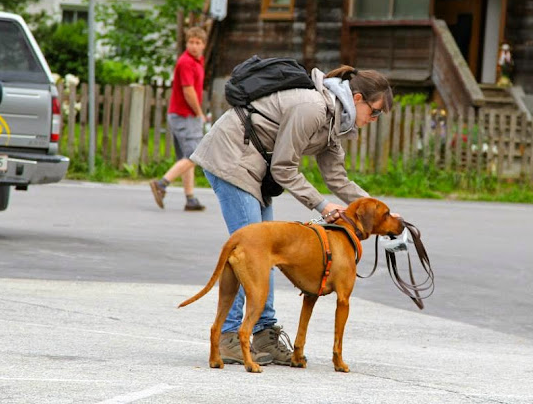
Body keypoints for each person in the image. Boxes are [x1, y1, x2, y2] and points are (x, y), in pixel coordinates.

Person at [189, 64, 393, 366]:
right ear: (358, 98)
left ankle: (263, 334)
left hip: (254, 169)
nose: (374, 120)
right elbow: (283, 167)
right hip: (231, 158)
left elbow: (337, 178)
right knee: (253, 250)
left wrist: (380, 211)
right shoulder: (313, 108)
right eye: (374, 112)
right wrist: (321, 205)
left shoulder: (337, 122)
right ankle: (230, 336)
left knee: (269, 252)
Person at [150, 26, 209, 211]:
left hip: (182, 115)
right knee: (194, 156)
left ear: (203, 45)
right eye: (191, 42)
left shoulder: (198, 61)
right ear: (186, 43)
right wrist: (199, 113)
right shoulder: (186, 62)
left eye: (197, 42)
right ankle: (162, 184)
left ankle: (190, 199)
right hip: (185, 116)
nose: (193, 46)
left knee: (187, 158)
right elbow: (188, 90)